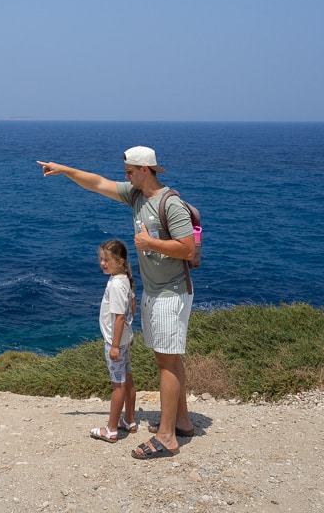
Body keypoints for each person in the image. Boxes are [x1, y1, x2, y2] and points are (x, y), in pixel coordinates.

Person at [38, 145, 196, 460]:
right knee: (169, 358)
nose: (124, 177)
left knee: (166, 361)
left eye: (129, 171)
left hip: (170, 292)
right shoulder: (136, 196)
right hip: (154, 291)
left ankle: (167, 438)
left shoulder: (171, 205)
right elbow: (97, 183)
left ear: (145, 170)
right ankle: (181, 421)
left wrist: (150, 242)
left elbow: (188, 249)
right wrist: (65, 169)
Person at [89, 239, 137, 444]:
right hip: (125, 338)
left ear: (120, 260)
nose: (102, 263)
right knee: (127, 378)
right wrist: (128, 335)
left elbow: (119, 317)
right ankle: (129, 420)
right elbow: (131, 308)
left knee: (117, 385)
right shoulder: (125, 279)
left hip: (115, 341)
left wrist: (115, 345)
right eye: (101, 259)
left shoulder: (116, 284)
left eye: (107, 260)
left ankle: (111, 429)